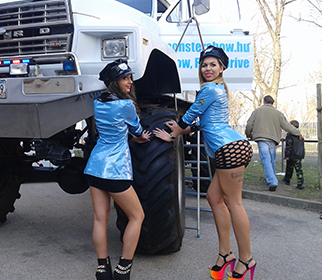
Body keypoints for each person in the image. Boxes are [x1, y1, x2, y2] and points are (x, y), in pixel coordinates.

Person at [153, 45, 256, 280]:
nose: (207, 68)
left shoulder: (209, 89)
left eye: (213, 64)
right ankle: (225, 254)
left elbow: (190, 116)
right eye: (204, 64)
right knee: (213, 198)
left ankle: (246, 259)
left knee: (235, 203)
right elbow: (203, 124)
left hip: (229, 149)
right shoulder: (218, 91)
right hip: (229, 147)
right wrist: (182, 128)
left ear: (222, 68)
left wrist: (173, 133)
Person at [85, 59, 150, 280]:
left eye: (130, 77)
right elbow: (137, 130)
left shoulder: (98, 103)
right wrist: (143, 137)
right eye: (125, 78)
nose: (130, 82)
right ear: (114, 82)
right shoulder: (126, 106)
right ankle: (123, 269)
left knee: (99, 219)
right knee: (137, 216)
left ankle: (102, 269)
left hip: (94, 167)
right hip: (115, 169)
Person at [244, 95, 301, 191]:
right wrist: (298, 132)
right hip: (273, 139)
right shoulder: (278, 113)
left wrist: (249, 134)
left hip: (261, 138)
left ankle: (272, 181)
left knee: (266, 160)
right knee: (271, 160)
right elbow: (287, 126)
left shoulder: (257, 111)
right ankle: (272, 179)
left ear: (264, 102)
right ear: (272, 102)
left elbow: (249, 125)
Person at [282, 120, 305, 189]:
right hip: (298, 155)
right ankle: (300, 183)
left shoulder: (290, 135)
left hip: (292, 155)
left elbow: (289, 146)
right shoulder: (300, 136)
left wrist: (287, 155)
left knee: (289, 168)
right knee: (299, 170)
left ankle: (287, 180)